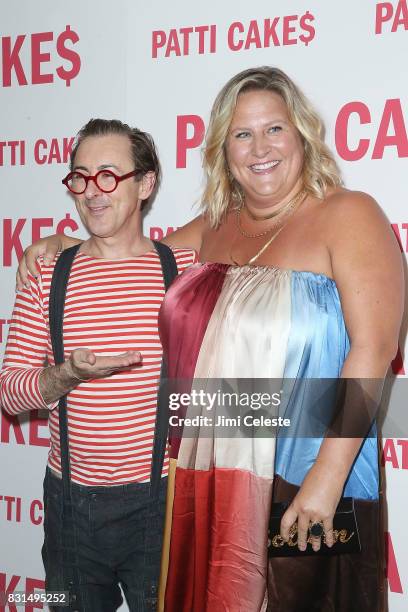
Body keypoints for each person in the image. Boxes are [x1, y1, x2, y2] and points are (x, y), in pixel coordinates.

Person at [16, 67, 403, 612]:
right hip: (221, 478)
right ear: (224, 149)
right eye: (242, 134)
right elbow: (127, 256)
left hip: (309, 474)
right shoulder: (215, 227)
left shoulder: (349, 214)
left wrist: (326, 480)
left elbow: (373, 352)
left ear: (302, 134)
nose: (259, 148)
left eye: (274, 129)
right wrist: (65, 243)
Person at [0, 118, 196, 612]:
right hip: (70, 510)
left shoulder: (185, 271)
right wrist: (67, 374)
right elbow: (9, 392)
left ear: (145, 184)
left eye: (109, 175)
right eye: (80, 177)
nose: (92, 192)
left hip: (162, 502)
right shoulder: (47, 274)